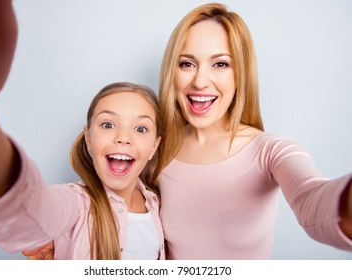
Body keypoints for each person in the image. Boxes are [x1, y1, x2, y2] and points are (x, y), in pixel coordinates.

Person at [28, 2, 352, 260]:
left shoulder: (270, 151)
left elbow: (314, 199)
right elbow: (131, 229)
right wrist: (68, 246)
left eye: (220, 64)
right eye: (187, 64)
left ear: (241, 75)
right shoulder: (156, 149)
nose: (199, 81)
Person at [0, 1, 164, 260]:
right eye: (108, 124)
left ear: (154, 147)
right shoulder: (76, 204)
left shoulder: (155, 204)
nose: (123, 137)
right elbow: (29, 215)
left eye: (140, 128)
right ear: (88, 139)